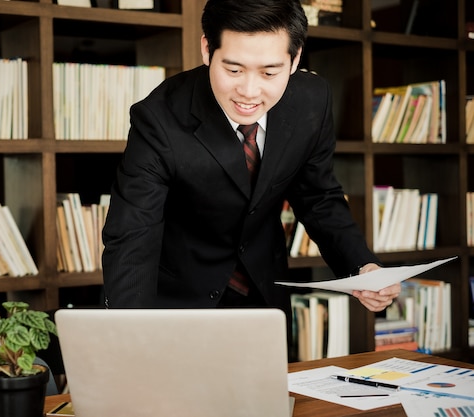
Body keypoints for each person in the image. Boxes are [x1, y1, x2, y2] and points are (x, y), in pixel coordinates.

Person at [101, 0, 400, 320]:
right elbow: (133, 234)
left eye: (269, 72)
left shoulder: (312, 100)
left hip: (265, 294)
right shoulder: (159, 117)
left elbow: (318, 196)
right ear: (206, 49)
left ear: (295, 58)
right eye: (233, 70)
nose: (249, 91)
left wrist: (361, 266)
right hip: (179, 301)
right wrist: (130, 333)